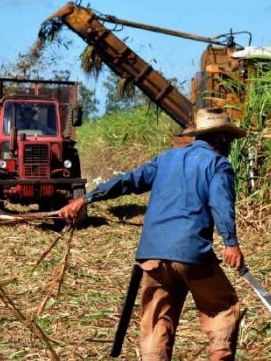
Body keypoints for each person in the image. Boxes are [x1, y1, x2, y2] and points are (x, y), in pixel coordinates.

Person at [60, 108, 247, 360]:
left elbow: (127, 181)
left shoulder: (165, 159)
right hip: (191, 254)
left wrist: (86, 199)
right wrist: (231, 243)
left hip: (152, 256)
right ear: (220, 137)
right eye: (230, 139)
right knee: (222, 308)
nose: (231, 144)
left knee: (157, 323)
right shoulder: (218, 164)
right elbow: (221, 203)